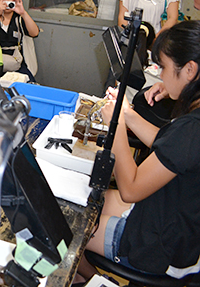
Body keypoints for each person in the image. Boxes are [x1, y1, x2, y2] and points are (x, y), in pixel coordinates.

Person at [79, 21, 200, 280]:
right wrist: (129, 114)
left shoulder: (192, 128)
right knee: (83, 199)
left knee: (66, 225)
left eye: (164, 68)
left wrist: (118, 125)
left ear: (190, 70)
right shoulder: (193, 119)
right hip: (175, 221)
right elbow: (172, 149)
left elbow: (131, 189)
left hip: (159, 247)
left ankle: (94, 282)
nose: (161, 76)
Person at [0, 0, 40, 81]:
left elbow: (35, 33)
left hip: (16, 60)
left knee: (28, 83)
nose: (7, 2)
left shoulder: (18, 18)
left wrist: (23, 13)